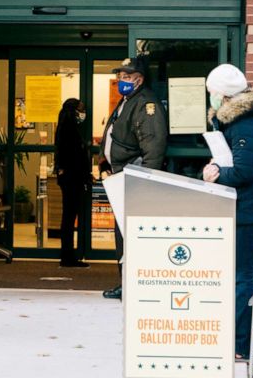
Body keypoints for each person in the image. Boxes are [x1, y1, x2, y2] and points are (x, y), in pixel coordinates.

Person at [201, 64, 253, 361]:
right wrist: (211, 169)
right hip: (243, 210)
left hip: (248, 212)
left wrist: (218, 174)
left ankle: (241, 345)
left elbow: (243, 171)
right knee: (239, 277)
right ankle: (251, 341)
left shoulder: (244, 125)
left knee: (242, 278)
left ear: (223, 94)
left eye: (211, 92)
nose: (210, 98)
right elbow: (229, 162)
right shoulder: (233, 123)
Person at [98, 54, 169, 300]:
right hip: (121, 175)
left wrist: (146, 182)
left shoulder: (146, 103)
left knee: (131, 234)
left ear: (139, 79)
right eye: (119, 76)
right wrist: (103, 160)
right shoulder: (128, 100)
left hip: (135, 178)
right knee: (122, 233)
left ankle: (131, 284)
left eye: (126, 76)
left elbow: (153, 145)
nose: (121, 80)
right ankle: (124, 281)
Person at [54, 98, 92, 268]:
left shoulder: (64, 128)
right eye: (81, 109)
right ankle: (67, 256)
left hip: (69, 177)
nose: (83, 113)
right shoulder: (70, 130)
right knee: (69, 217)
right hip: (72, 178)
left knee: (68, 217)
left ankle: (67, 255)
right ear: (74, 111)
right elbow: (74, 157)